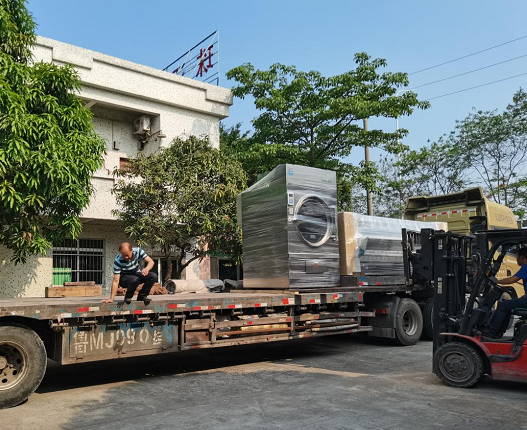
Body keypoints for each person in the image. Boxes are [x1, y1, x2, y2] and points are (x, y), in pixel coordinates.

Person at [485, 247, 527, 337]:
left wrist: (497, 281)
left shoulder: (526, 267)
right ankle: (499, 332)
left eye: (517, 257)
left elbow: (512, 280)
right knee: (507, 305)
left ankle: (492, 332)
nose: (517, 259)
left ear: (522, 257)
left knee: (502, 305)